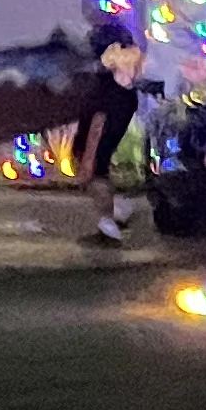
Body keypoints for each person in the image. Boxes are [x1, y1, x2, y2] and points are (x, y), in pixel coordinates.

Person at [75, 22, 148, 246]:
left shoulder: (110, 76)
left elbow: (100, 121)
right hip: (117, 104)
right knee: (97, 168)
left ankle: (109, 227)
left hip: (107, 113)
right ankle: (119, 210)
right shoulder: (129, 58)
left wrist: (89, 156)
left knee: (95, 172)